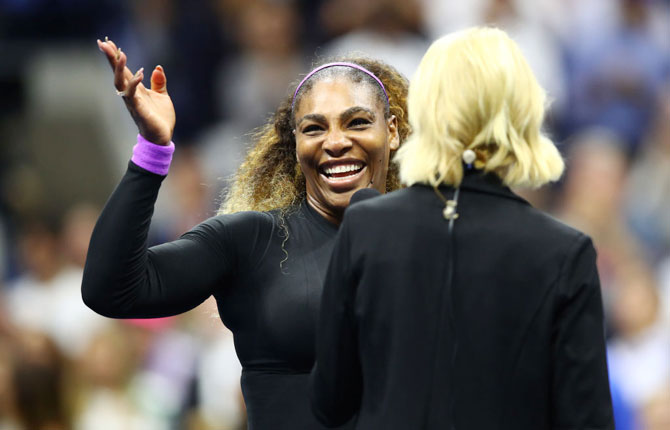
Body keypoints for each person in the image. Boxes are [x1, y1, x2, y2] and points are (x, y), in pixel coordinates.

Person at [82, 38, 409, 429]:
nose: (335, 142)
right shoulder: (252, 241)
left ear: (391, 131)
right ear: (295, 142)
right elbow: (110, 289)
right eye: (314, 128)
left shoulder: (433, 240)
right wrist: (152, 151)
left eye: (357, 122)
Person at [310, 27, 614, 429]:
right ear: (524, 113)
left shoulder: (366, 227)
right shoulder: (565, 251)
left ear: (427, 110)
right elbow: (586, 419)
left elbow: (330, 400)